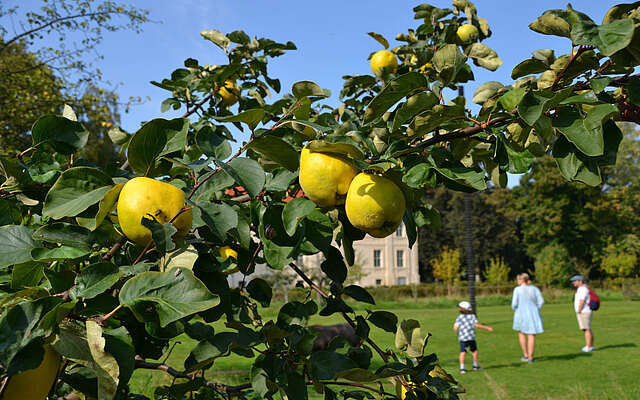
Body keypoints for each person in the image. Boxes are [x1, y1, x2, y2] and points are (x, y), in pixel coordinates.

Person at [453, 301, 494, 374]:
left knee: (462, 352)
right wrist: (487, 328)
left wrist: (458, 334)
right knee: (474, 351)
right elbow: (477, 325)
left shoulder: (459, 317)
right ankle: (475, 366)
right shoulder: (472, 316)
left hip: (462, 338)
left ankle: (462, 369)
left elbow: (455, 328)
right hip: (471, 337)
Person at [511, 273, 544, 363]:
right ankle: (530, 356)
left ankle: (525, 354)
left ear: (522, 280)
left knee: (521, 333)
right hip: (533, 314)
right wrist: (535, 309)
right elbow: (541, 301)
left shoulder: (517, 290)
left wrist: (515, 308)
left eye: (518, 279)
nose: (517, 281)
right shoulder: (534, 289)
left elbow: (514, 304)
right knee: (531, 334)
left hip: (520, 314)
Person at [570, 275, 595, 352]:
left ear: (580, 281)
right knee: (588, 329)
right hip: (585, 311)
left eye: (575, 281)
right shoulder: (582, 289)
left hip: (584, 312)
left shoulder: (582, 289)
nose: (573, 282)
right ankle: (591, 346)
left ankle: (588, 347)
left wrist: (579, 310)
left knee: (586, 329)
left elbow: (582, 300)